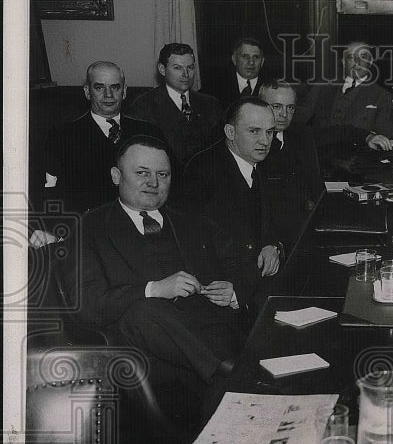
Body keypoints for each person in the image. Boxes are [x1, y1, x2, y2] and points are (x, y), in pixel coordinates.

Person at [71, 135, 253, 423]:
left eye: (163, 174)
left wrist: (233, 292)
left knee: (219, 394)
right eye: (142, 173)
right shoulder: (89, 227)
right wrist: (154, 289)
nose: (153, 183)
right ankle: (231, 374)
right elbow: (88, 306)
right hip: (149, 352)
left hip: (211, 333)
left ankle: (225, 380)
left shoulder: (192, 221)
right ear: (116, 176)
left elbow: (242, 264)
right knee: (145, 310)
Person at [181, 99, 283, 305]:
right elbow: (204, 247)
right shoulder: (202, 171)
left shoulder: (259, 160)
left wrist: (272, 245)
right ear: (230, 132)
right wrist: (241, 290)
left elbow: (271, 220)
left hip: (254, 281)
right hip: (224, 293)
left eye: (270, 132)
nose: (265, 141)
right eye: (254, 131)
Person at [39, 61, 164, 217]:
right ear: (87, 91)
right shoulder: (63, 136)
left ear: (124, 91)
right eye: (99, 88)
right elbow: (50, 192)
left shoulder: (149, 132)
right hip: (87, 225)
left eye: (115, 87)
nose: (108, 95)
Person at [303, 41, 393, 173]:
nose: (357, 62)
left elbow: (385, 133)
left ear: (371, 61)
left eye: (362, 57)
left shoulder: (381, 95)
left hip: (356, 165)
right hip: (319, 162)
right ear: (344, 62)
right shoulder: (323, 87)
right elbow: (301, 119)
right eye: (351, 57)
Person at [128, 42, 224, 166]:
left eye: (190, 67)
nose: (186, 74)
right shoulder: (144, 106)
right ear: (162, 69)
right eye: (177, 68)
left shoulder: (211, 105)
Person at [259, 80, 324, 250]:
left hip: (307, 229)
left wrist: (368, 137)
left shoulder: (301, 134)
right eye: (277, 106)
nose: (284, 114)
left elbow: (336, 132)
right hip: (270, 237)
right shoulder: (252, 144)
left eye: (290, 108)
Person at [205, 36, 266, 105]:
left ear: (262, 61)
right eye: (245, 56)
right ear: (234, 59)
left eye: (256, 57)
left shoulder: (269, 87)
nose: (251, 62)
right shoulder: (214, 87)